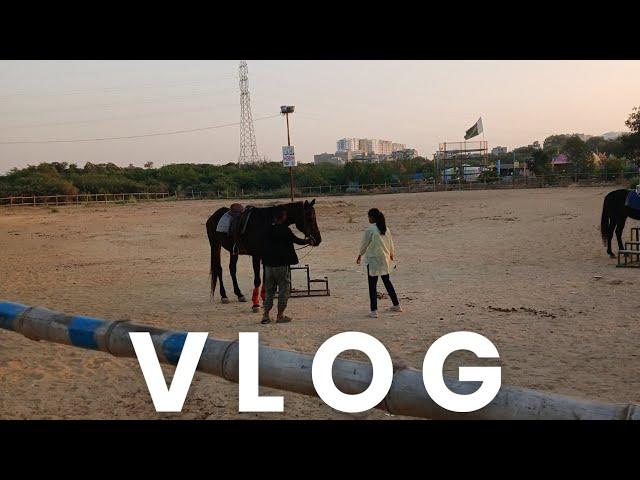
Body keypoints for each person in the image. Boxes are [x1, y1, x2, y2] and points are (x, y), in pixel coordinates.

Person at [261, 206, 314, 324]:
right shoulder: (285, 230)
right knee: (283, 290)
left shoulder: (266, 229)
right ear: (283, 217)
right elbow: (297, 240)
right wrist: (308, 241)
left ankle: (265, 315)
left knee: (269, 291)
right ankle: (280, 315)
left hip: (268, 265)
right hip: (281, 265)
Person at [356, 208, 402, 318]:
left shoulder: (370, 230)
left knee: (372, 285)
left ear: (372, 217)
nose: (368, 219)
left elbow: (364, 244)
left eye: (369, 217)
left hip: (373, 261)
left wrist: (359, 255)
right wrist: (391, 255)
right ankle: (396, 305)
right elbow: (391, 243)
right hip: (384, 259)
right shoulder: (386, 228)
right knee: (387, 282)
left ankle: (374, 310)